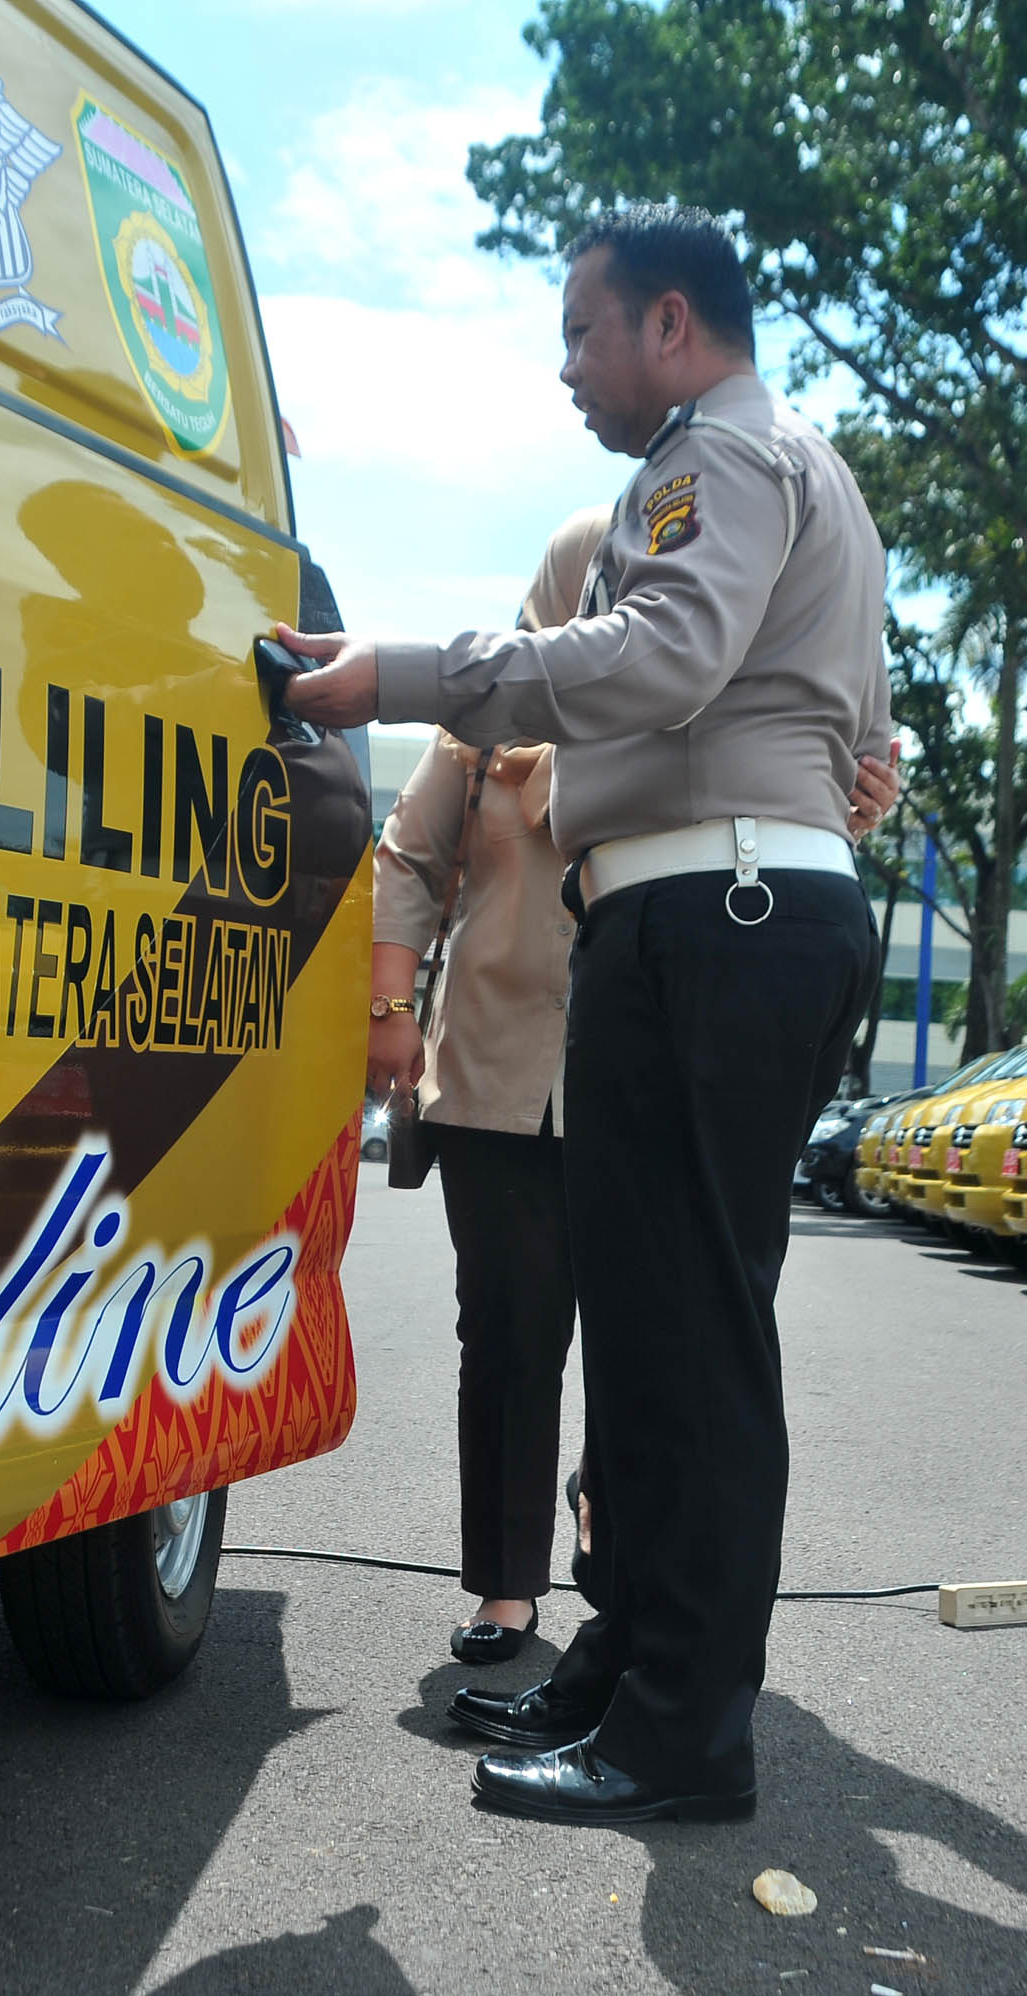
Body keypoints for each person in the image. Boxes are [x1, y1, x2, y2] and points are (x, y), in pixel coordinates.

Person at [279, 204, 893, 1827]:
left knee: (684, 1344)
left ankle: (686, 1728)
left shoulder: (715, 460)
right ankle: (633, 1659)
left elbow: (660, 657)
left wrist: (401, 671)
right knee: (646, 1342)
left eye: (583, 333)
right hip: (715, 910)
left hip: (719, 917)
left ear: (671, 324)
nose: (568, 369)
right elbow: (848, 733)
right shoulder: (790, 467)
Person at [372, 509, 606, 1667]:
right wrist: (392, 1008)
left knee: (637, 1333)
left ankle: (609, 1521)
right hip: (493, 1075)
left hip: (629, 1079)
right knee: (511, 1334)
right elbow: (410, 859)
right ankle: (505, 1587)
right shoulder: (477, 729)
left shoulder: (675, 713)